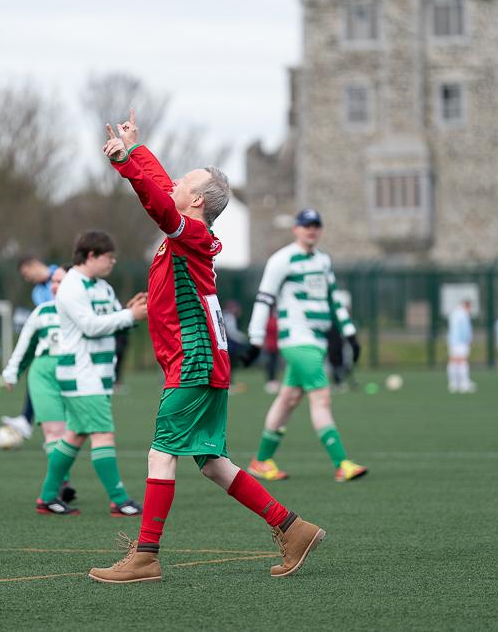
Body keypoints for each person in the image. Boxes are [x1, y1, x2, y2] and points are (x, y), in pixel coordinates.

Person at [88, 111, 325, 583]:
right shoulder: (189, 231)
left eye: (184, 181)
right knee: (213, 462)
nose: (173, 181)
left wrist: (126, 164)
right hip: (207, 360)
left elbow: (158, 201)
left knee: (160, 452)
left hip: (194, 360)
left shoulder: (188, 232)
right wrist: (137, 151)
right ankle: (292, 528)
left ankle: (146, 556)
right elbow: (161, 189)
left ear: (195, 200)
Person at [242, 208, 366, 483]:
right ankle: (341, 463)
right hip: (297, 340)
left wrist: (350, 334)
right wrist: (255, 340)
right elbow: (264, 299)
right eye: (306, 225)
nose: (312, 229)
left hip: (316, 340)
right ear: (295, 229)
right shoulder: (282, 259)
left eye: (316, 225)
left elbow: (334, 299)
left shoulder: (323, 260)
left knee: (288, 399)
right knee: (321, 398)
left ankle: (261, 461)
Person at [35, 231, 146, 516]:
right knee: (103, 434)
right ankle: (120, 500)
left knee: (75, 435)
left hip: (98, 374)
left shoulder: (103, 287)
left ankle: (48, 497)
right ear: (91, 256)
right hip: (81, 374)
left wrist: (130, 315)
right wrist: (127, 316)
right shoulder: (71, 285)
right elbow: (90, 326)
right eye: (108, 257)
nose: (113, 262)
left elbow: (110, 323)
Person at [2, 267, 76, 501]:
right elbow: (25, 345)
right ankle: (61, 483)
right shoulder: (42, 312)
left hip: (77, 376)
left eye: (60, 281)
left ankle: (60, 481)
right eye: (53, 282)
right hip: (44, 376)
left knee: (73, 434)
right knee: (55, 432)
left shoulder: (84, 313)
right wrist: (12, 371)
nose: (54, 286)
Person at [5, 255, 60, 432]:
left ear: (35, 264)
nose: (27, 279)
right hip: (52, 343)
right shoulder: (37, 292)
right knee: (38, 372)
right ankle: (27, 419)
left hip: (72, 341)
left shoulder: (62, 274)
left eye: (27, 274)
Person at [447, 299, 475, 393]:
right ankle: (464, 384)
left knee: (454, 361)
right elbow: (465, 330)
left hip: (453, 341)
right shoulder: (463, 315)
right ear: (467, 306)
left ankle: (453, 384)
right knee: (462, 361)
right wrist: (468, 340)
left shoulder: (454, 313)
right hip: (461, 341)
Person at [262, 311, 281, 394]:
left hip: (275, 345)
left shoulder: (272, 319)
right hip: (271, 345)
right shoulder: (271, 320)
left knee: (274, 363)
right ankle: (270, 381)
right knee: (271, 363)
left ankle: (272, 380)